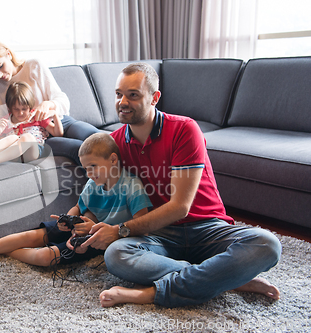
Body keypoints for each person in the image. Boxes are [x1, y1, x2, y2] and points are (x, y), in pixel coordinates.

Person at [76, 63, 282, 308]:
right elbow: (102, 189)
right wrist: (87, 221)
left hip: (206, 227)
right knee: (116, 255)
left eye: (133, 95)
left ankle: (152, 294)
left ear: (154, 98)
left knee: (267, 245)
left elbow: (180, 207)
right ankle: (226, 279)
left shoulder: (184, 129)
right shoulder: (114, 145)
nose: (122, 102)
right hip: (158, 235)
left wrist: (120, 230)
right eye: (118, 94)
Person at [0, 133, 153, 276]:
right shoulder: (92, 183)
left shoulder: (131, 185)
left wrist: (94, 229)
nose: (89, 174)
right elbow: (78, 208)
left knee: (46, 257)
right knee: (31, 236)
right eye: (85, 169)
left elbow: (141, 225)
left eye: (93, 167)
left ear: (113, 160)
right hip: (82, 228)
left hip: (99, 239)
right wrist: (68, 219)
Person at [0, 37, 100, 165]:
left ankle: (118, 179)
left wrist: (48, 105)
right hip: (37, 135)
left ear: (8, 54)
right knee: (81, 149)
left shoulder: (33, 65)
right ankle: (99, 184)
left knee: (97, 137)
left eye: (0, 66)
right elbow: (0, 124)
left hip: (60, 120)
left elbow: (62, 100)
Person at [0, 81, 63, 174]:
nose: (21, 113)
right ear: (9, 108)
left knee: (26, 137)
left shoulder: (36, 116)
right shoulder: (5, 122)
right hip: (12, 155)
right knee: (11, 138)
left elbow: (58, 133)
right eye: (16, 109)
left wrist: (54, 115)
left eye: (24, 109)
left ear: (30, 106)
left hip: (33, 151)